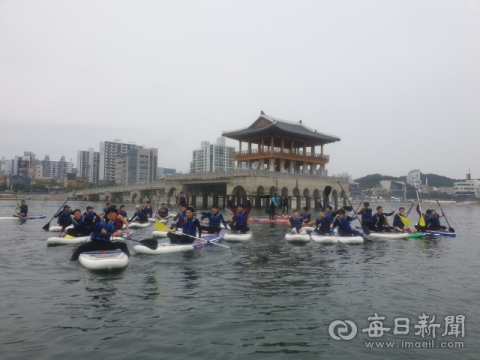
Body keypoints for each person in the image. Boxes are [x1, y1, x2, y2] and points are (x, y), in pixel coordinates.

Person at [65, 208, 130, 263]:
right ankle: (70, 261)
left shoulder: (114, 223)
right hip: (95, 243)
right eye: (116, 214)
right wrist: (100, 229)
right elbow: (90, 229)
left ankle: (129, 257)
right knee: (80, 248)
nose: (117, 215)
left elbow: (114, 230)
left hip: (106, 244)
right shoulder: (99, 219)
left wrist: (116, 232)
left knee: (123, 245)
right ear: (111, 213)